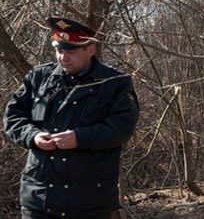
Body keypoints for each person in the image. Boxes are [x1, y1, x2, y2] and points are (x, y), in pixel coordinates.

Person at [3, 17, 140, 219]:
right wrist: (33, 136)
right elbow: (13, 117)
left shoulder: (114, 83)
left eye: (71, 51)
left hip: (89, 201)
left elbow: (122, 127)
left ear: (90, 49)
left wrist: (80, 137)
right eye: (60, 50)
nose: (63, 57)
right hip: (39, 199)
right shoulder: (40, 78)